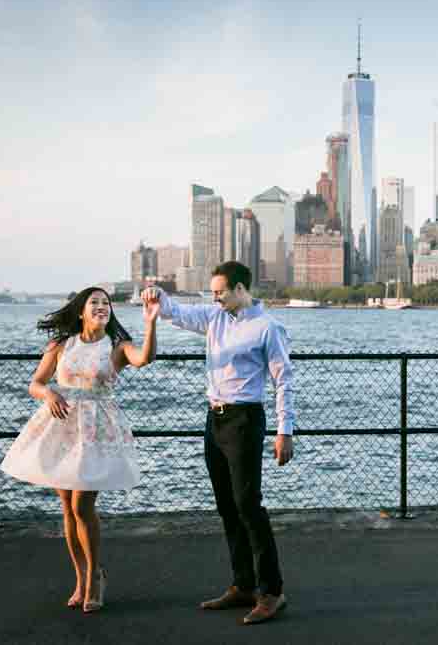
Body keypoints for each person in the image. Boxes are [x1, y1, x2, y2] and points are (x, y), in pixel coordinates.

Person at [142, 260, 294, 626]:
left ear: (241, 289)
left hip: (245, 419)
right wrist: (158, 296)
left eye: (220, 292)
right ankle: (243, 585)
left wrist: (284, 431)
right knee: (227, 505)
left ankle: (271, 592)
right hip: (215, 418)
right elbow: (176, 312)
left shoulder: (268, 327)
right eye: (212, 293)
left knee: (248, 504)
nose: (215, 298)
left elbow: (284, 380)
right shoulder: (214, 318)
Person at [1, 286, 158, 613]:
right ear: (81, 311)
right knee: (67, 509)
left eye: (106, 303)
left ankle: (95, 577)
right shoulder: (62, 344)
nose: (102, 307)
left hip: (96, 432)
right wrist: (50, 395)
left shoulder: (116, 346)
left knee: (82, 506)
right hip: (61, 427)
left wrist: (151, 323)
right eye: (94, 302)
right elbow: (36, 383)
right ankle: (81, 579)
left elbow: (145, 359)